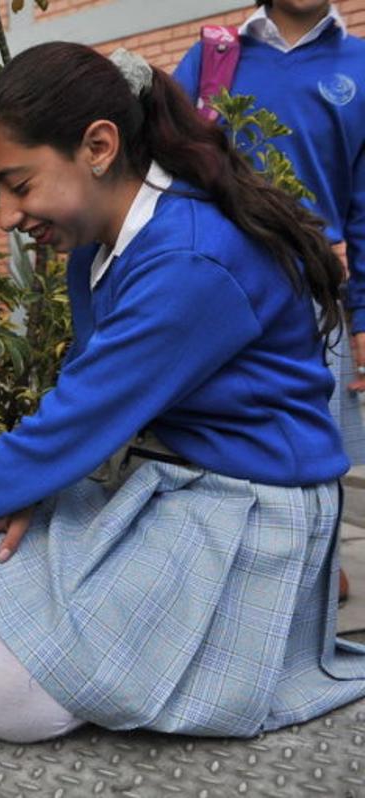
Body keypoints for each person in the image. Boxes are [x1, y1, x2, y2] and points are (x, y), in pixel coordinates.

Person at [0, 40, 365, 744]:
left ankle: (150, 661)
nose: (4, 216)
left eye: (19, 185)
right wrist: (29, 491)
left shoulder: (190, 262)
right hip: (165, 474)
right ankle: (104, 649)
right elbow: (82, 413)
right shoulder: (97, 243)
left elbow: (64, 434)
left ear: (99, 145)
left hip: (244, 510)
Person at [175, 0, 365, 601]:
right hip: (222, 290)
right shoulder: (213, 58)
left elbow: (362, 209)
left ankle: (318, 556)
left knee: (317, 435)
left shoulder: (360, 64)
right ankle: (242, 564)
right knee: (229, 432)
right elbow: (171, 171)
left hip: (316, 295)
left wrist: (362, 320)